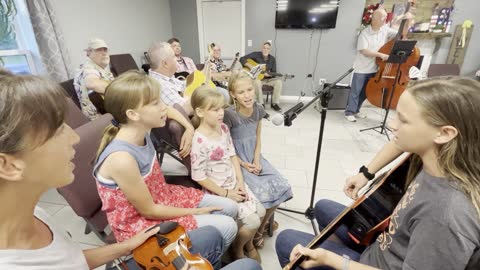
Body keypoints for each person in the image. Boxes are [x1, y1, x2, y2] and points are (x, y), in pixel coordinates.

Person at [276, 76, 480, 270]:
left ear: (444, 133)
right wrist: (366, 174)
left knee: (286, 240)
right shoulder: (435, 156)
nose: (392, 125)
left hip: (378, 263)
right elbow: (399, 144)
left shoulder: (445, 214)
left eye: (404, 120)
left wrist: (334, 260)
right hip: (382, 246)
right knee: (322, 207)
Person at [190, 86, 266, 262]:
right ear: (200, 112)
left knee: (260, 212)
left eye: (222, 108)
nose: (221, 113)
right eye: (215, 109)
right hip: (218, 190)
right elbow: (198, 176)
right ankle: (238, 248)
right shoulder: (199, 140)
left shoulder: (223, 128)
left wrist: (240, 182)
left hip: (233, 182)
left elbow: (232, 156)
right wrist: (226, 194)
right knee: (253, 222)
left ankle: (245, 243)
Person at [224, 71, 293, 248]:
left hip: (255, 158)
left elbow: (258, 137)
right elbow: (226, 147)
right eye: (241, 92)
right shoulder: (229, 115)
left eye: (249, 90)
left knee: (281, 186)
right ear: (233, 94)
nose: (247, 95)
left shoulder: (259, 109)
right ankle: (257, 231)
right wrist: (245, 165)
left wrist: (257, 160)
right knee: (264, 193)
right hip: (237, 162)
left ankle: (259, 232)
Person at [344, 8, 397, 122]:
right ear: (375, 19)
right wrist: (381, 55)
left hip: (375, 68)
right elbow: (364, 50)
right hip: (361, 68)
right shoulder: (365, 33)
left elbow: (399, 34)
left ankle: (356, 110)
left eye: (385, 17)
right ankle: (349, 112)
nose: (385, 20)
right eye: (383, 17)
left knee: (366, 92)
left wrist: (403, 20)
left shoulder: (385, 30)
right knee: (356, 92)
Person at [74, 38, 114, 120]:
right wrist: (123, 89)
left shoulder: (99, 68)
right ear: (89, 53)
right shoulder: (88, 68)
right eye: (99, 50)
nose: (104, 53)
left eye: (105, 50)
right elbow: (92, 83)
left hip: (109, 112)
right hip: (101, 118)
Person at [240, 41, 283, 112]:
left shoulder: (272, 59)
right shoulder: (256, 54)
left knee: (278, 82)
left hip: (268, 80)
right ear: (262, 48)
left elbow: (274, 72)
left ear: (270, 50)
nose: (266, 50)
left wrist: (269, 74)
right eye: (264, 48)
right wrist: (249, 65)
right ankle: (261, 104)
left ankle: (274, 103)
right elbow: (242, 59)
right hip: (258, 79)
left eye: (268, 48)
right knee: (256, 82)